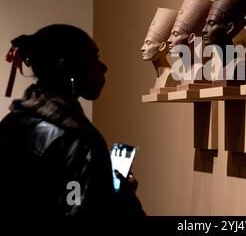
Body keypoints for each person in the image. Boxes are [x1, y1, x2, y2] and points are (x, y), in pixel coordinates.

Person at [0, 24, 145, 218]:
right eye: (94, 57)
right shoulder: (77, 140)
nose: (103, 67)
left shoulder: (11, 121)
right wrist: (121, 194)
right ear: (65, 65)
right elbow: (78, 208)